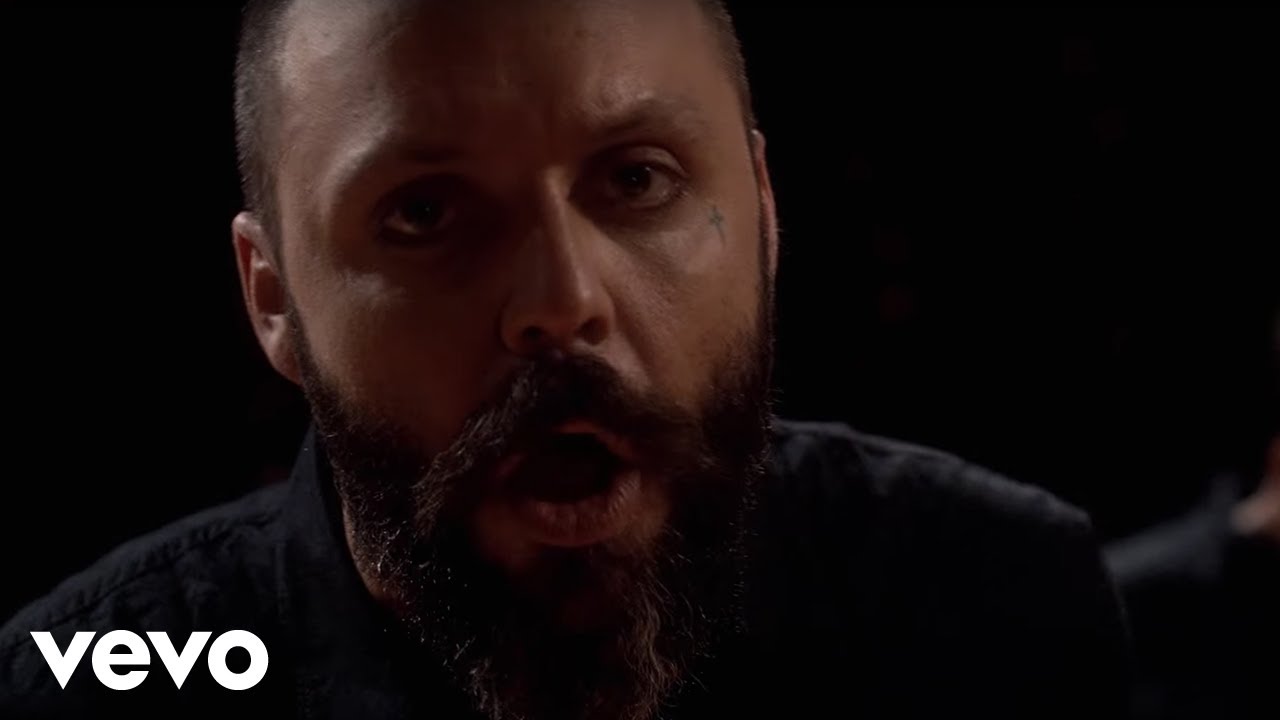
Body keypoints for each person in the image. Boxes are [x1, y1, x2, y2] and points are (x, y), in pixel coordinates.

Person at [0, 1, 1130, 717]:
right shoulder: (92, 684)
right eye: (425, 213)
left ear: (766, 212)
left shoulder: (988, 597)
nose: (559, 303)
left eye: (636, 179)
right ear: (272, 297)